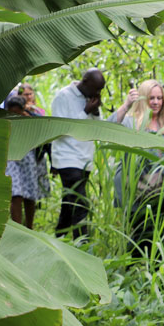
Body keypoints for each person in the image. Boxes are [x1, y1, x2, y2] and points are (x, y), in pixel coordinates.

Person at [107, 79, 164, 252]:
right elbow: (107, 128)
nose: (156, 102)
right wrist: (127, 104)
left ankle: (155, 271)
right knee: (139, 234)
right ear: (143, 99)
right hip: (138, 188)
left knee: (161, 235)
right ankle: (134, 269)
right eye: (151, 98)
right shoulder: (131, 121)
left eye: (159, 98)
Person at [50, 68, 105, 239]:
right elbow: (60, 129)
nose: (98, 93)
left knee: (70, 204)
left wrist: (95, 111)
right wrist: (85, 112)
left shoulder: (91, 98)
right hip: (67, 159)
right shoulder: (63, 96)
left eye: (100, 90)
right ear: (85, 81)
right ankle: (83, 245)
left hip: (84, 159)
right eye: (96, 88)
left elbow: (99, 127)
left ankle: (58, 239)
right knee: (81, 205)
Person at [3, 95, 42, 228]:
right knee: (16, 193)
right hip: (11, 158)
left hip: (27, 158)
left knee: (30, 195)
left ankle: (29, 227)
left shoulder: (31, 119)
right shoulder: (3, 120)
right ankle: (18, 227)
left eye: (17, 112)